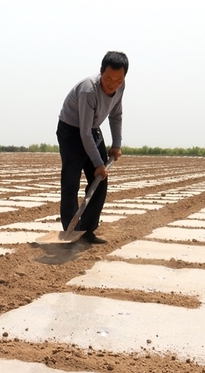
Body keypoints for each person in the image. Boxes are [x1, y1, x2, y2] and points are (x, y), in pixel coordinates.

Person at [56, 51, 128, 244]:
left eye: (118, 80)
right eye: (108, 78)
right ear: (100, 72)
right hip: (71, 132)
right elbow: (83, 132)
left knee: (100, 181)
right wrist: (98, 162)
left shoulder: (120, 87)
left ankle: (86, 231)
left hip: (92, 131)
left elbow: (116, 115)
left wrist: (116, 144)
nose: (112, 83)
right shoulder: (89, 90)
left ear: (124, 77)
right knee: (71, 183)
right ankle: (70, 233)